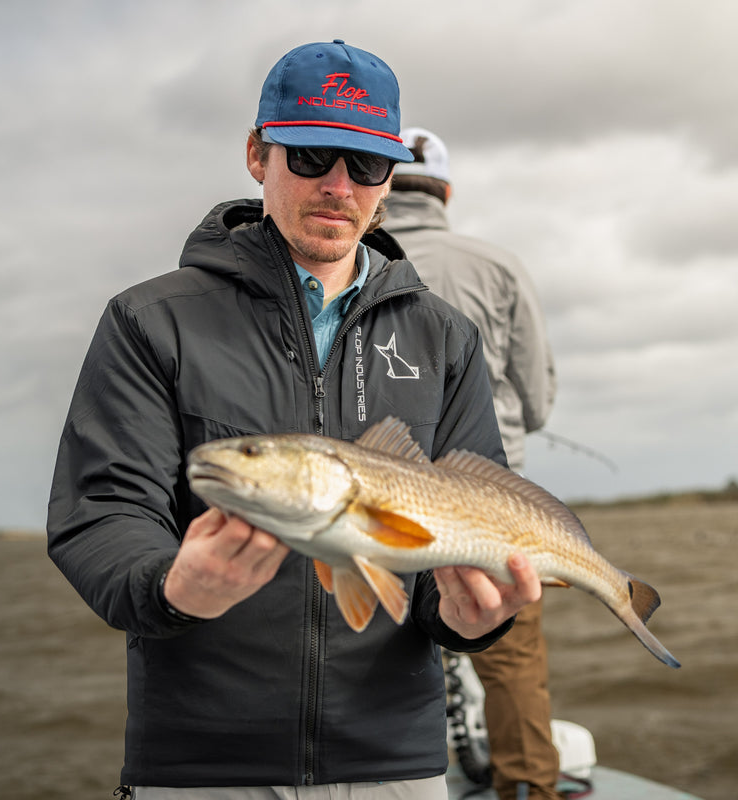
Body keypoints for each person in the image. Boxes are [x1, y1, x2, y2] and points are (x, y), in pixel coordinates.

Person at [47, 41, 542, 800]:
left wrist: (470, 620)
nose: (339, 186)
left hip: (397, 764)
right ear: (257, 154)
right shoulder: (149, 321)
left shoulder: (446, 336)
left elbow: (460, 538)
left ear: (388, 177)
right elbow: (102, 511)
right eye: (311, 155)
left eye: (367, 164)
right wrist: (172, 587)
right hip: (202, 767)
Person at [384, 128, 559, 800]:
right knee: (510, 656)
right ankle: (528, 788)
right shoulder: (499, 266)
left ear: (382, 181)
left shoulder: (345, 264)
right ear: (447, 192)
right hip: (490, 498)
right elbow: (536, 397)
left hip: (374, 500)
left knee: (371, 639)